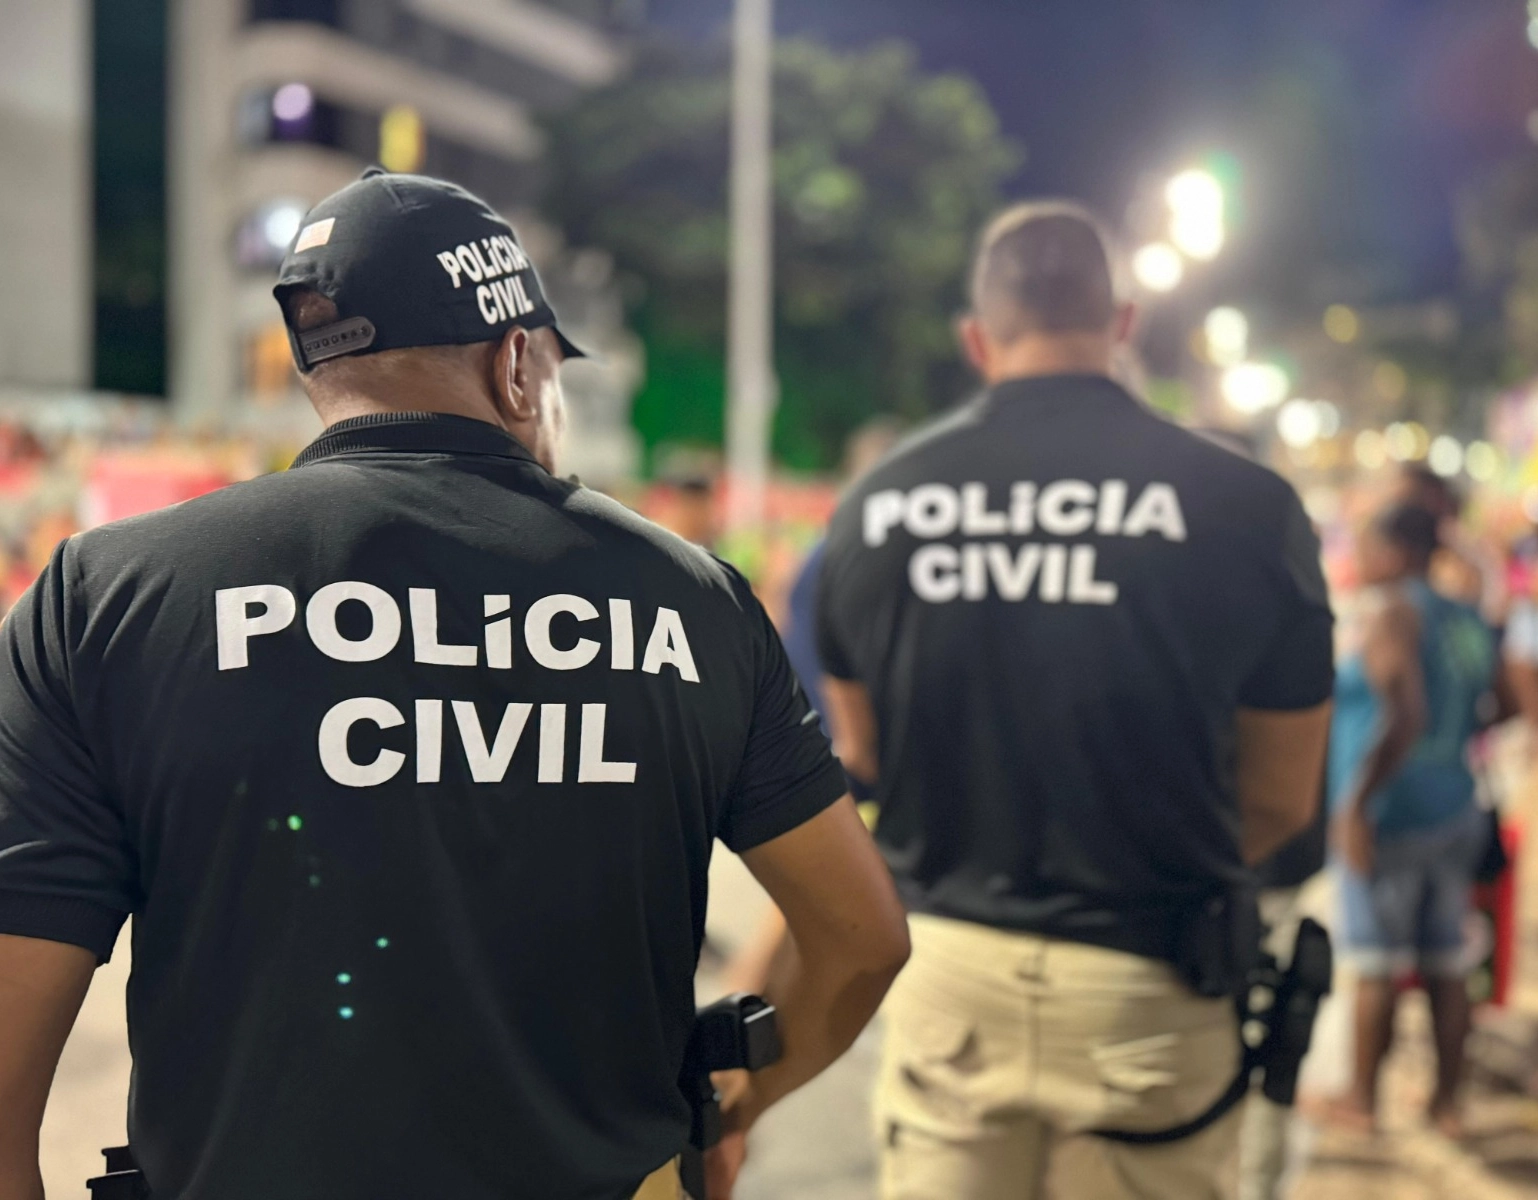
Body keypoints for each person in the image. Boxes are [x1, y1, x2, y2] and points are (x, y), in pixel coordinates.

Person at [0, 169, 910, 1200]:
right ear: (517, 362)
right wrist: (734, 1106)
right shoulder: (690, 601)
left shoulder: (102, 596)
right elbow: (861, 936)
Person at [814, 201, 1335, 1199]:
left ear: (975, 339)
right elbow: (1279, 798)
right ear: (1122, 323)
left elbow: (860, 757)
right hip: (1149, 978)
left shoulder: (874, 505)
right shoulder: (1244, 506)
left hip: (944, 968)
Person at [1328, 501, 1501, 1138]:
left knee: (1374, 960)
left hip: (1395, 809)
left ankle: (1360, 1100)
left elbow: (1404, 712)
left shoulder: (1396, 610)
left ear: (1400, 550)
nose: (1360, 558)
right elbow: (1498, 702)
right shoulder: (1464, 614)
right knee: (1445, 960)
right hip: (1454, 799)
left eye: (1368, 544)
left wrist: (1356, 803)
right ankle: (1446, 1104)